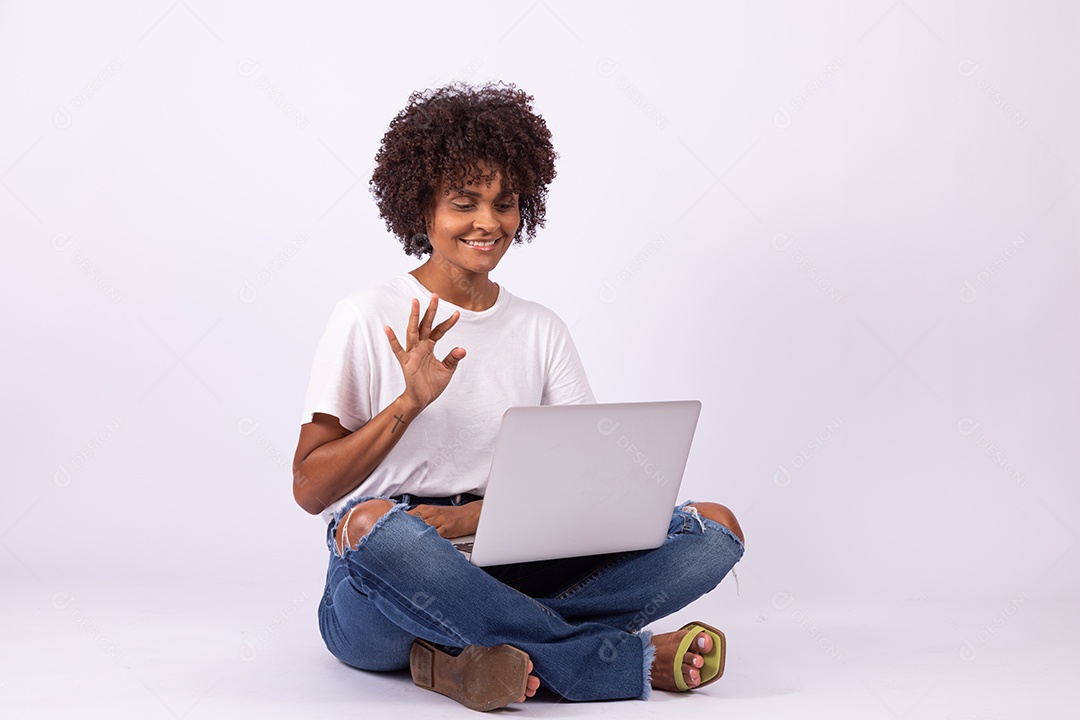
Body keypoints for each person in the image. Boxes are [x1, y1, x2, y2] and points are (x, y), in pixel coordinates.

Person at [292, 82, 745, 711]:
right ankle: (607, 663)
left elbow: (589, 486)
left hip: (510, 551)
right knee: (373, 527)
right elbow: (311, 490)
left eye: (504, 204)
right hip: (389, 575)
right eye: (464, 202)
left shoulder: (540, 329)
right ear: (422, 207)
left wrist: (467, 520)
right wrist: (406, 407)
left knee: (716, 530)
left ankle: (467, 656)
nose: (487, 223)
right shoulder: (367, 315)